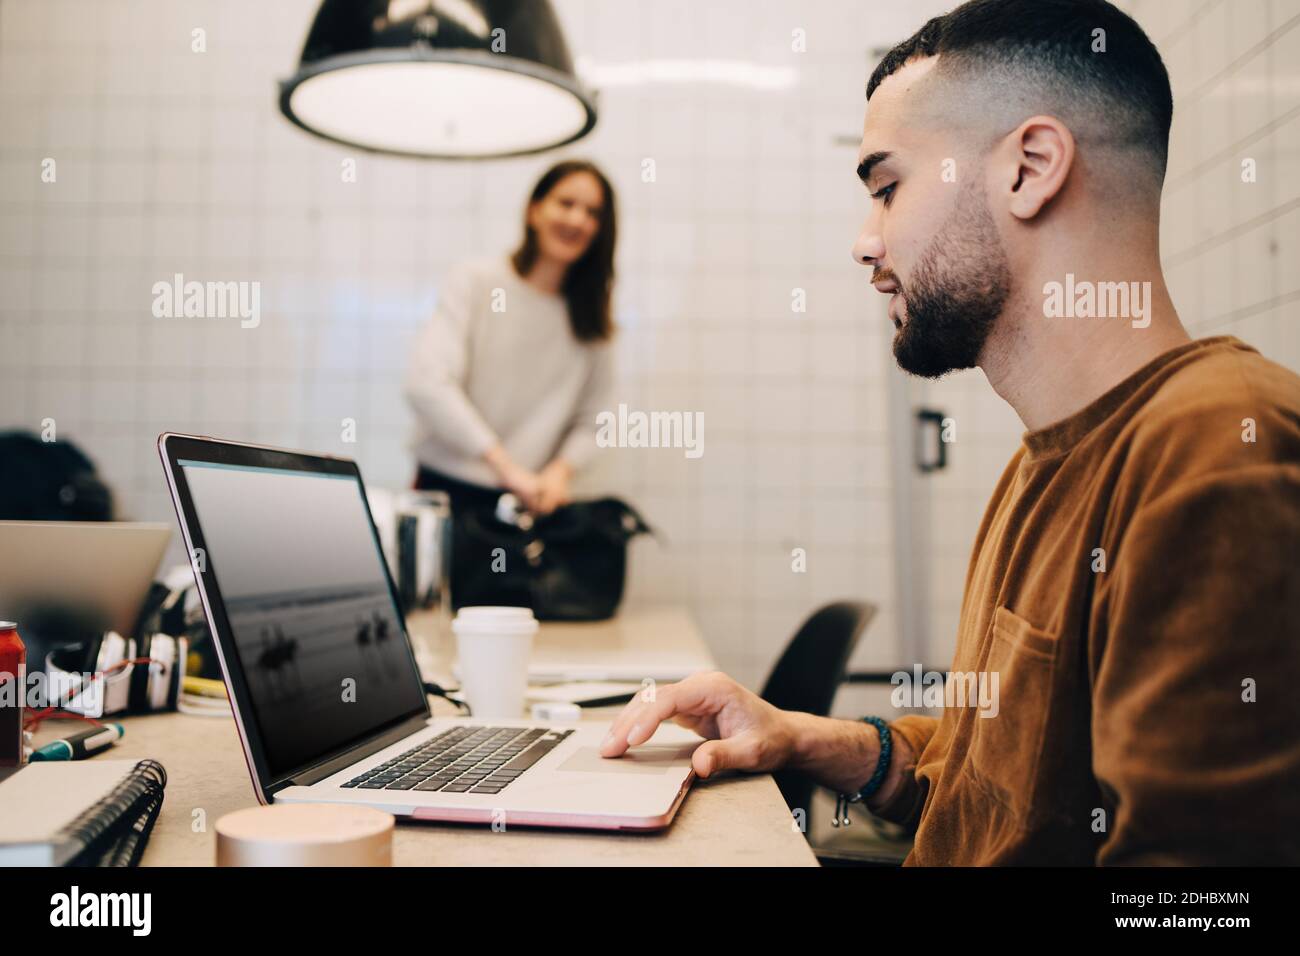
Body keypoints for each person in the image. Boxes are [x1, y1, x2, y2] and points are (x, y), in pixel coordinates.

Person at [600, 0, 1300, 865]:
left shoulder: (1216, 455)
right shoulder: (1041, 464)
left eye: (887, 187)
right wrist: (802, 739)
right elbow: (996, 788)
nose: (865, 243)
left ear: (1030, 169)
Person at [405, 159, 617, 519]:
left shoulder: (592, 318)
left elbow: (596, 420)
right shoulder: (474, 282)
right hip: (447, 496)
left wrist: (560, 471)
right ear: (534, 210)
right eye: (566, 203)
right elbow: (427, 384)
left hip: (531, 507)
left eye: (592, 212)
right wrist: (505, 467)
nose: (577, 220)